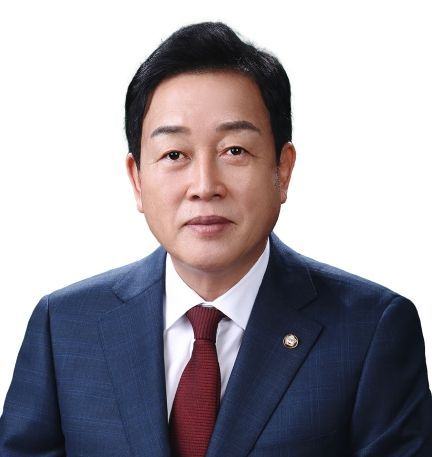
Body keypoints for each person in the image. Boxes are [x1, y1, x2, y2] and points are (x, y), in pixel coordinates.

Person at [0, 21, 431, 457]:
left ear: (282, 170)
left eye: (234, 151)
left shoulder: (371, 330)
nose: (204, 186)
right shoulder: (64, 326)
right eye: (174, 154)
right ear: (137, 180)